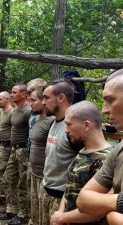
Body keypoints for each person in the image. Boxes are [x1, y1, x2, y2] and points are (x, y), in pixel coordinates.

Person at [50, 101, 111, 225]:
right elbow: (69, 186)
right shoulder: (83, 151)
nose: (66, 130)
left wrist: (62, 218)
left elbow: (99, 209)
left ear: (86, 125)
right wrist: (61, 213)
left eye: (68, 125)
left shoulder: (104, 159)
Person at [76, 69, 123, 224]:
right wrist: (119, 201)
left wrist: (108, 208)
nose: (104, 109)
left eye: (110, 100)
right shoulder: (119, 149)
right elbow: (83, 201)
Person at [41, 80, 79, 225]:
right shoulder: (53, 122)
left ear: (61, 98)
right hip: (46, 191)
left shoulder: (73, 128)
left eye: (46, 97)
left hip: (62, 200)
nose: (43, 102)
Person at [0, 84, 31, 225]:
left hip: (23, 151)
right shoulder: (15, 110)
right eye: (11, 92)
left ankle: (23, 214)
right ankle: (12, 209)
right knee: (8, 178)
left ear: (24, 94)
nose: (11, 94)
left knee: (22, 183)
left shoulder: (28, 111)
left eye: (14, 92)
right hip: (13, 149)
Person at [27, 86, 55, 225]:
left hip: (45, 176)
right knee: (35, 210)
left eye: (33, 100)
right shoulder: (38, 119)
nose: (30, 103)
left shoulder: (51, 122)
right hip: (34, 172)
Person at [0, 91, 14, 215]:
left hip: (6, 148)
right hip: (0, 145)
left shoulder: (12, 113)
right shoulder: (2, 112)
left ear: (7, 99)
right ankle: (1, 199)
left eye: (0, 100)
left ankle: (3, 202)